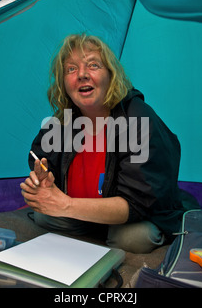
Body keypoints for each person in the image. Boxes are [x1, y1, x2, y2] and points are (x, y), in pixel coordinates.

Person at [20, 33, 184, 254]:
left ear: (110, 75)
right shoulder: (62, 121)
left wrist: (65, 205)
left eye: (93, 65)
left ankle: (127, 233)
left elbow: (134, 204)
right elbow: (40, 160)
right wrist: (43, 182)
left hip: (135, 216)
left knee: (132, 237)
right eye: (71, 69)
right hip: (85, 214)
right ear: (63, 83)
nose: (82, 75)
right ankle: (97, 231)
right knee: (43, 215)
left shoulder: (137, 118)